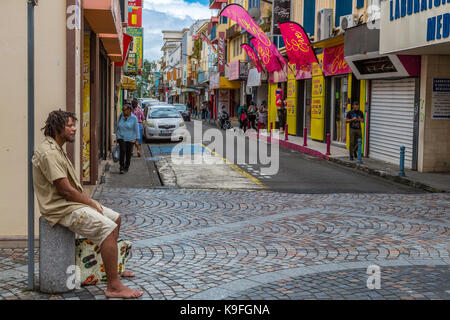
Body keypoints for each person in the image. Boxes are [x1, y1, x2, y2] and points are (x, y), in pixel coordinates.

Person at [32, 110, 143, 299]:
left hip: (70, 203)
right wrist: (91, 203)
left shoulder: (57, 147)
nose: (75, 128)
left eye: (74, 125)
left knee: (115, 219)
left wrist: (91, 204)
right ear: (57, 128)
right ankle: (114, 286)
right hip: (60, 208)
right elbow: (65, 190)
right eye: (70, 125)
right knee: (107, 229)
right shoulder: (49, 152)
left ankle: (109, 270)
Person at [117, 104, 139, 174]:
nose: (123, 112)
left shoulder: (134, 118)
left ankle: (127, 167)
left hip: (130, 138)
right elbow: (117, 126)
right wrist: (117, 135)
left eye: (124, 110)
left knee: (128, 153)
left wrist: (137, 139)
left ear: (129, 110)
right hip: (121, 137)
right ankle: (121, 167)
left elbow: (136, 129)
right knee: (122, 151)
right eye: (122, 110)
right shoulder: (121, 116)